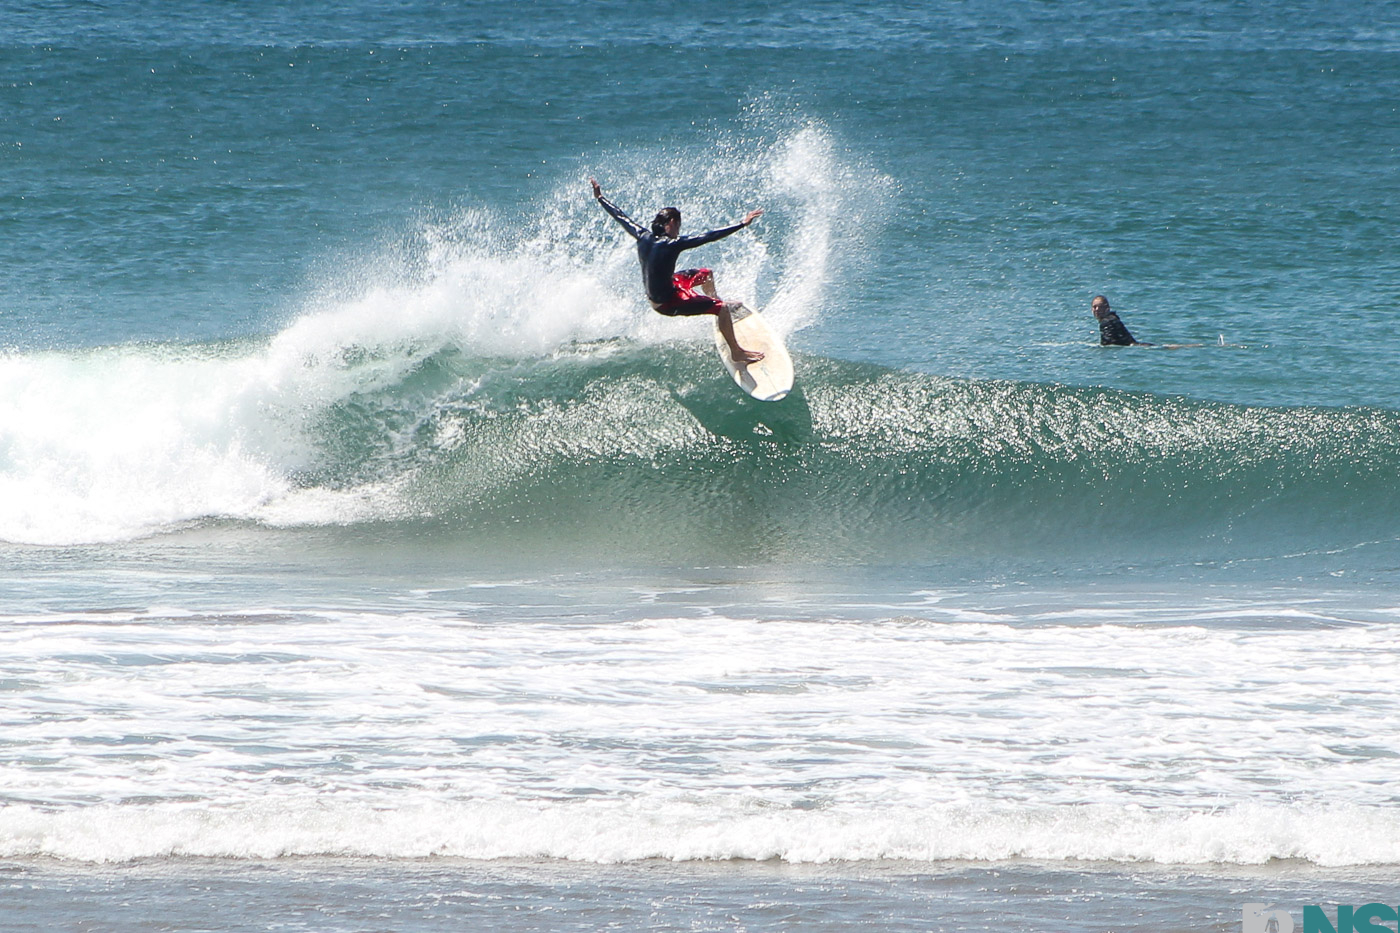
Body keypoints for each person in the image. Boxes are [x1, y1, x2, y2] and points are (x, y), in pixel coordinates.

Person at [591, 177, 765, 364]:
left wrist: (600, 197)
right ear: (672, 223)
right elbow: (709, 236)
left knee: (706, 274)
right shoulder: (674, 243)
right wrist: (742, 223)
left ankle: (715, 305)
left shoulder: (641, 235)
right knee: (722, 309)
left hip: (670, 287)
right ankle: (736, 351)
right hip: (667, 303)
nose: (679, 230)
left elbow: (620, 216)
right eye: (679, 225)